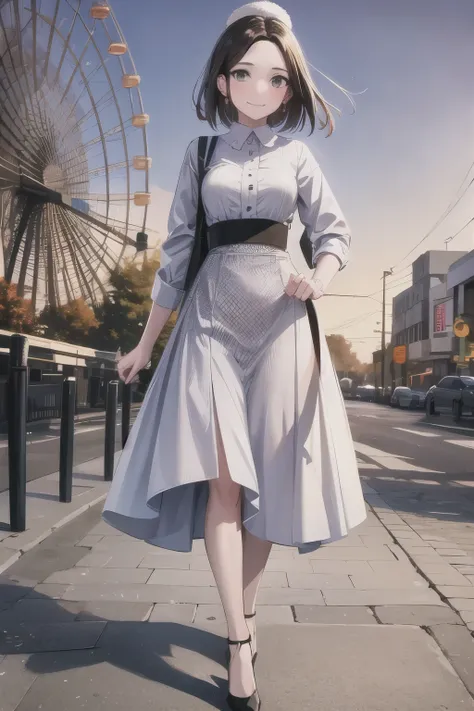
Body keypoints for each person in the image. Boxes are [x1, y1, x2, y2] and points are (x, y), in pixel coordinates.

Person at [103, 2, 367, 708]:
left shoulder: (300, 157)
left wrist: (322, 277)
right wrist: (144, 343)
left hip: (284, 327)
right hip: (212, 328)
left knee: (265, 493)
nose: (259, 87)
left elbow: (335, 235)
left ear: (289, 86)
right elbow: (178, 257)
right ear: (223, 79)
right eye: (245, 72)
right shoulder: (199, 155)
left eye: (275, 78)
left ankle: (241, 616)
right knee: (223, 484)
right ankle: (239, 636)